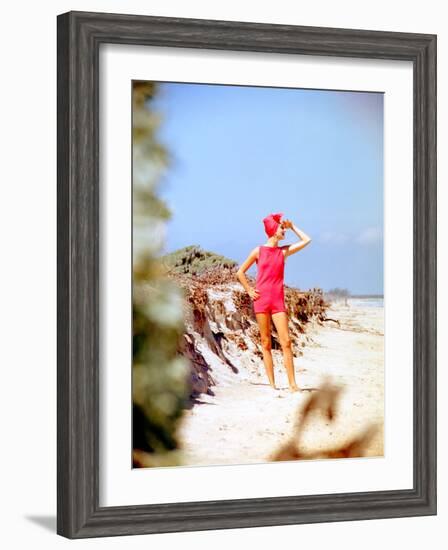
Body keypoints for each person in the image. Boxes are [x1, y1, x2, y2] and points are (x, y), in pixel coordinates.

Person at [236, 213, 312, 392]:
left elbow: (307, 240)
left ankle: (293, 384)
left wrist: (293, 227)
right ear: (272, 230)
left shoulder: (283, 251)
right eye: (281, 227)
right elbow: (240, 272)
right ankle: (272, 385)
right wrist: (249, 290)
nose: (283, 229)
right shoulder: (258, 251)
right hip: (261, 301)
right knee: (265, 342)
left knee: (286, 342)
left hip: (278, 301)